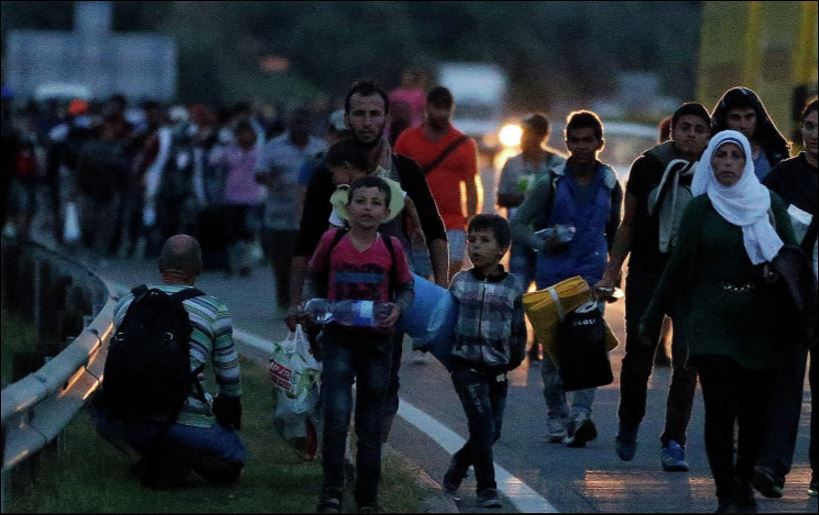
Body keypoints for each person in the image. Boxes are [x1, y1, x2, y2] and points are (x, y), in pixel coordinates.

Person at [640, 130, 797, 513]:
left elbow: (791, 261)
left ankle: (743, 481)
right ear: (711, 162)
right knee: (721, 409)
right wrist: (650, 318)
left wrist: (786, 288)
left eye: (735, 156)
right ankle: (726, 491)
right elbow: (676, 269)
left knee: (755, 414)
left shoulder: (769, 206)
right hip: (711, 323)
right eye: (720, 156)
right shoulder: (700, 209)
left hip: (759, 325)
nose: (727, 163)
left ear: (746, 164)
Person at [287, 80, 448, 444]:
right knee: (334, 382)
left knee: (384, 384)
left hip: (388, 301)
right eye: (359, 114)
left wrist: (442, 289)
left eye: (374, 114)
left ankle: (369, 459)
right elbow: (306, 240)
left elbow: (435, 231)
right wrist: (295, 303)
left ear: (387, 118)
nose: (367, 122)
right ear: (346, 118)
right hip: (333, 296)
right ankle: (337, 458)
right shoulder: (328, 169)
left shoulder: (405, 170)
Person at [593, 103, 711, 469]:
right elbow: (628, 223)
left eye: (699, 129)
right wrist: (612, 271)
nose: (691, 134)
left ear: (708, 135)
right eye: (685, 127)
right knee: (640, 353)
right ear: (672, 130)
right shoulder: (649, 166)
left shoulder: (718, 169)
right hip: (647, 270)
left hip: (693, 277)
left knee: (687, 361)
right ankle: (629, 421)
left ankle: (674, 440)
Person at [92, 234, 245, 488]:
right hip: (182, 418)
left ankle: (147, 455)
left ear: (160, 265)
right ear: (199, 267)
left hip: (121, 417)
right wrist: (229, 406)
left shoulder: (130, 300)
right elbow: (228, 375)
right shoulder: (213, 308)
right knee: (236, 454)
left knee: (97, 411)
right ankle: (176, 455)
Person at [300, 176, 414, 513]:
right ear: (347, 208)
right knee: (335, 416)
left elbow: (406, 290)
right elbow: (313, 278)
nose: (367, 208)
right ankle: (332, 492)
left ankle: (367, 499)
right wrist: (311, 306)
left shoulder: (392, 247)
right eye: (361, 201)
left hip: (378, 345)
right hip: (338, 339)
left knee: (369, 424)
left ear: (386, 210)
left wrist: (398, 309)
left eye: (376, 203)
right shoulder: (332, 240)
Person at [510, 110, 622, 448]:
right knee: (556, 352)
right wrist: (542, 242)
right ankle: (557, 413)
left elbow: (616, 230)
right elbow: (519, 224)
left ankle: (581, 415)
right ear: (567, 142)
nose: (582, 146)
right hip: (554, 277)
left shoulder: (609, 182)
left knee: (587, 346)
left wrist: (613, 272)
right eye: (576, 140)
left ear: (600, 143)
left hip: (590, 277)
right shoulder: (551, 181)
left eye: (589, 140)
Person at [754, 97, 818, 498]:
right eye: (810, 127)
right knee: (785, 382)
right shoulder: (783, 177)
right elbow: (757, 225)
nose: (816, 136)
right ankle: (773, 466)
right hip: (792, 298)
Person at [442, 214, 526, 509]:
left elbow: (518, 331)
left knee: (492, 431)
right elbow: (445, 321)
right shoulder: (460, 282)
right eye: (471, 240)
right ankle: (487, 488)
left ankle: (459, 463)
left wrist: (511, 361)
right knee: (481, 426)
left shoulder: (513, 287)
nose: (475, 247)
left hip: (497, 370)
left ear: (502, 249)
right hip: (465, 367)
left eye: (484, 241)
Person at [496, 112, 567, 362]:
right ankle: (518, 336)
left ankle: (540, 340)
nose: (523, 138)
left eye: (527, 133)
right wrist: (527, 199)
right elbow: (501, 197)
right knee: (518, 288)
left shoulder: (558, 163)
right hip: (521, 235)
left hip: (549, 235)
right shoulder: (512, 163)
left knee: (547, 290)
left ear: (540, 135)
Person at [394, 85, 481, 282]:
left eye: (446, 107)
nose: (441, 112)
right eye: (437, 107)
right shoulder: (407, 139)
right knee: (419, 279)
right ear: (427, 107)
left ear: (452, 109)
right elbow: (395, 177)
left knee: (449, 279)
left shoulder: (464, 143)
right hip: (415, 223)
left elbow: (471, 186)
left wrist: (472, 220)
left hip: (453, 222)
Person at [256, 107, 327, 309]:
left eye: (305, 123)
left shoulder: (320, 148)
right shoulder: (274, 146)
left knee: (307, 262)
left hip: (310, 217)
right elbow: (259, 172)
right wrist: (272, 180)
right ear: (289, 125)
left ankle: (302, 301)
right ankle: (283, 297)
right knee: (281, 263)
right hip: (280, 216)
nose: (301, 127)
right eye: (296, 123)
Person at [211, 120, 262, 276]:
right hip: (231, 196)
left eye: (247, 133)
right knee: (231, 232)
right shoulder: (229, 151)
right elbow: (213, 162)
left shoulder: (258, 151)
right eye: (241, 133)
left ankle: (246, 264)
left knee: (248, 231)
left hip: (252, 197)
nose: (244, 136)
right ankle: (232, 264)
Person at [711, 86, 789, 181]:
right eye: (735, 118)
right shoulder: (710, 151)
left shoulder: (775, 152)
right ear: (724, 120)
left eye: (749, 117)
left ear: (758, 118)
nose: (743, 125)